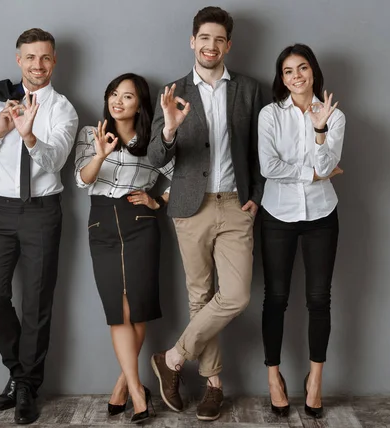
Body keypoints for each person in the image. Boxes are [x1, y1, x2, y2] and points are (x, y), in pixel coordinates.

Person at [147, 6, 264, 422]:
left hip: (236, 204)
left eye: (219, 39)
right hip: (188, 206)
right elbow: (156, 156)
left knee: (235, 295)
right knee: (199, 296)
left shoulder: (249, 90)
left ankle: (173, 358)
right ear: (192, 41)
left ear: (228, 45)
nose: (211, 46)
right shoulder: (173, 90)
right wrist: (169, 128)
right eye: (204, 38)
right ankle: (214, 386)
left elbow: (258, 149)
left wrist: (257, 194)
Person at [0, 28, 78, 425]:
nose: (38, 66)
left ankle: (27, 385)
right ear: (18, 60)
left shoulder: (63, 109)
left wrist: (29, 136)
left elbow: (56, 161)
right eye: (30, 58)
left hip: (42, 212)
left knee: (36, 304)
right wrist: (0, 130)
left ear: (54, 61)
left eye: (45, 58)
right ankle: (18, 372)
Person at [75, 73, 172, 424]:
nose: (118, 101)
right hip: (101, 220)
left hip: (140, 222)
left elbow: (182, 173)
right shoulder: (92, 133)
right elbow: (82, 178)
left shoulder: (153, 141)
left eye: (128, 96)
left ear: (139, 104)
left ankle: (125, 388)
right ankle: (136, 391)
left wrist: (158, 200)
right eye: (114, 94)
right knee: (117, 309)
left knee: (138, 308)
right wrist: (100, 155)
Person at [257, 43, 345, 419]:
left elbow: (330, 162)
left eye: (303, 68)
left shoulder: (334, 116)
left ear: (313, 72)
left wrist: (320, 129)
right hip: (277, 213)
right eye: (288, 70)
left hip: (322, 214)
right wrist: (312, 172)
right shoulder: (269, 115)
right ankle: (273, 377)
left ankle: (315, 380)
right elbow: (268, 167)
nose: (296, 76)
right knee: (275, 297)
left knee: (319, 298)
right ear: (282, 78)